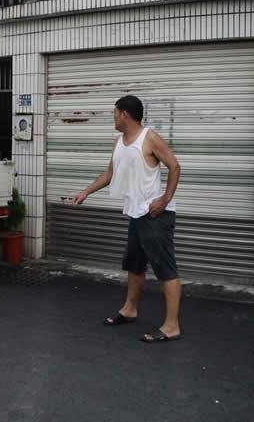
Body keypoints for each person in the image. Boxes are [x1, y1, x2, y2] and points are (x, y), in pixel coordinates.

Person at [65, 94, 182, 343]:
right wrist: (85, 192)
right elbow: (110, 172)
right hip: (135, 213)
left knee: (165, 269)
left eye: (114, 113)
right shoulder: (119, 142)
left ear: (125, 114)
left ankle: (172, 326)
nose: (113, 117)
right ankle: (130, 309)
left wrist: (164, 199)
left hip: (155, 215)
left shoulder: (149, 137)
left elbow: (174, 165)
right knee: (135, 265)